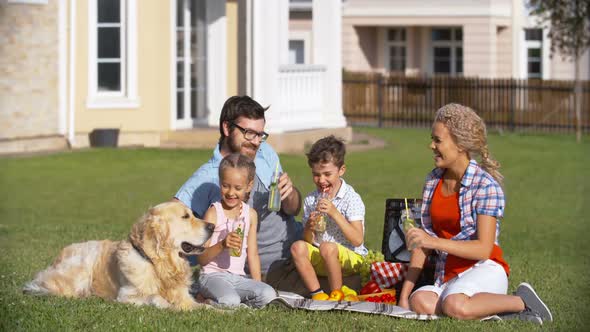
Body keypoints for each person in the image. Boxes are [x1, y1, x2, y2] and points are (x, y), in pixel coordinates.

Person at [398, 104, 552, 324]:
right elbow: (423, 242)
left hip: (484, 269)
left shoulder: (485, 186)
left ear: (460, 144)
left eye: (438, 140)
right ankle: (489, 312)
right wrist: (404, 296)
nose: (431, 145)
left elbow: (483, 248)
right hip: (448, 276)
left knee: (453, 305)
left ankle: (522, 301)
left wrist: (433, 241)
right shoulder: (433, 182)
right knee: (420, 301)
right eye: (432, 139)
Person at [174, 95, 303, 282]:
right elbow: (168, 218)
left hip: (299, 246)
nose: (256, 141)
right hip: (271, 268)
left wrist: (290, 194)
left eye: (260, 134)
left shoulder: (264, 151)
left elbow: (293, 209)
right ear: (227, 128)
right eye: (249, 133)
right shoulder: (207, 177)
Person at [290, 135, 367, 298]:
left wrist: (334, 213)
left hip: (351, 258)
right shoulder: (312, 199)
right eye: (316, 174)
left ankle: (336, 293)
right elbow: (308, 241)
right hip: (323, 256)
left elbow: (357, 239)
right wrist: (309, 227)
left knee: (327, 247)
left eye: (327, 174)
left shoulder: (351, 198)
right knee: (297, 247)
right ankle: (317, 294)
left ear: (341, 170)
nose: (321, 180)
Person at [197, 153, 276, 308]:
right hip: (212, 276)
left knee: (268, 295)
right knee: (231, 301)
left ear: (249, 186)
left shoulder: (250, 215)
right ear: (220, 182)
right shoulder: (214, 213)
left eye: (238, 188)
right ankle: (205, 300)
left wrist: (257, 285)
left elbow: (252, 254)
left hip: (238, 278)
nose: (231, 193)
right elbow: (201, 258)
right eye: (225, 186)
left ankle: (230, 301)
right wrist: (222, 245)